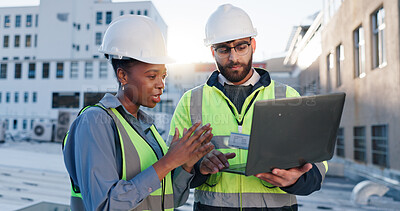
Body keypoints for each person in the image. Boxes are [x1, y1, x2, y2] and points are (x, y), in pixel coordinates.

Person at [168, 4, 327, 210]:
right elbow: (172, 172)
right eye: (223, 49)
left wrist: (295, 179)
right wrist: (199, 166)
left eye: (241, 47)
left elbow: (319, 167)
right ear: (212, 51)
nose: (233, 58)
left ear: (253, 44)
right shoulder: (191, 101)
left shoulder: (287, 96)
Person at [63, 15, 215, 211]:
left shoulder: (146, 128)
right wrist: (168, 162)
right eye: (152, 76)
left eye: (163, 76)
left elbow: (165, 199)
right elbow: (105, 205)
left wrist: (186, 165)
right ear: (123, 75)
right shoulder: (95, 122)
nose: (161, 84)